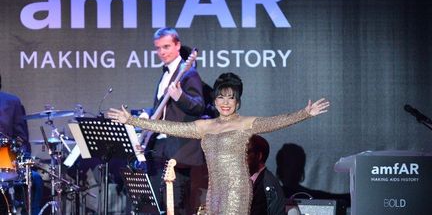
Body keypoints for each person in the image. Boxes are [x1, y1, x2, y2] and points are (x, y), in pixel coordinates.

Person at [108, 72, 330, 214]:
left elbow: (277, 122)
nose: (225, 102)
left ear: (238, 101)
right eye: (221, 97)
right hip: (214, 193)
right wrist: (131, 120)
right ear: (214, 100)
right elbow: (170, 127)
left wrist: (306, 113)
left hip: (237, 191)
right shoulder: (205, 126)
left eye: (231, 97)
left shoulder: (246, 123)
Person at [140, 27, 207, 214]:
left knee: (176, 205)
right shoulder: (164, 75)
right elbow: (163, 108)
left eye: (166, 46)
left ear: (177, 45)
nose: (162, 52)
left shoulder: (189, 73)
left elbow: (198, 106)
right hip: (160, 147)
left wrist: (180, 97)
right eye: (158, 48)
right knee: (158, 204)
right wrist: (148, 114)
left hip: (178, 150)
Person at [0, 73, 43, 215]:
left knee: (35, 179)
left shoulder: (11, 102)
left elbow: (21, 138)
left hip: (5, 160)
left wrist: (22, 161)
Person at [276, 143, 350, 207]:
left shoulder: (309, 195)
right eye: (289, 165)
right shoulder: (274, 196)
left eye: (297, 166)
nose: (292, 171)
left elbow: (335, 199)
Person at [247, 135, 285, 215]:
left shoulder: (269, 184)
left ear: (259, 156)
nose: (240, 158)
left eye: (246, 153)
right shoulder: (243, 180)